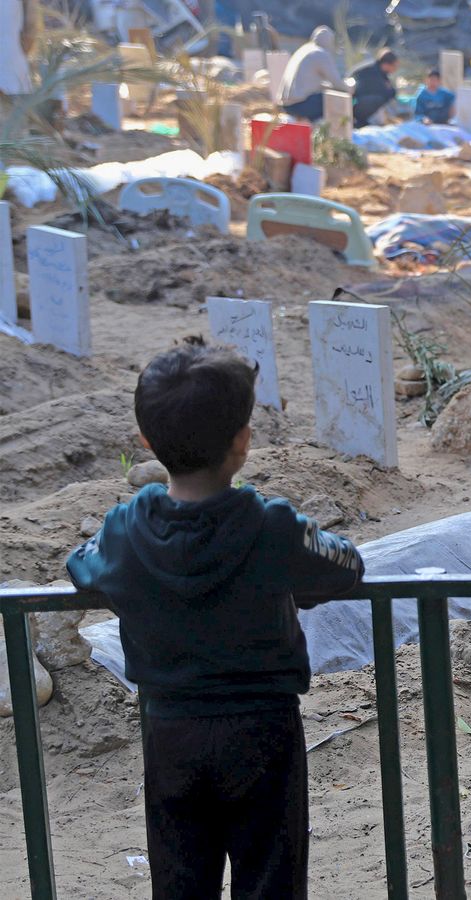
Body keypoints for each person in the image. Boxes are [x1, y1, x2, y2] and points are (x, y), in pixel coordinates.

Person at [67, 343, 365, 900]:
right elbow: (346, 566)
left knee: (180, 884)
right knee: (271, 882)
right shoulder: (272, 527)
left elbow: (82, 567)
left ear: (147, 441)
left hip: (171, 731)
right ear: (243, 441)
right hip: (264, 731)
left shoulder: (125, 530)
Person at [276, 25, 339, 122]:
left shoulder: (303, 50)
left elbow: (306, 81)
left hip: (285, 105)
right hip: (301, 105)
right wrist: (351, 87)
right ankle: (326, 127)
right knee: (332, 99)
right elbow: (337, 84)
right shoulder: (320, 53)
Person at [349, 48, 399, 128]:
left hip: (359, 100)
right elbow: (386, 93)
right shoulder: (372, 72)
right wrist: (391, 91)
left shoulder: (378, 70)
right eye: (394, 66)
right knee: (380, 99)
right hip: (353, 103)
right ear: (386, 64)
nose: (395, 69)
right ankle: (359, 121)